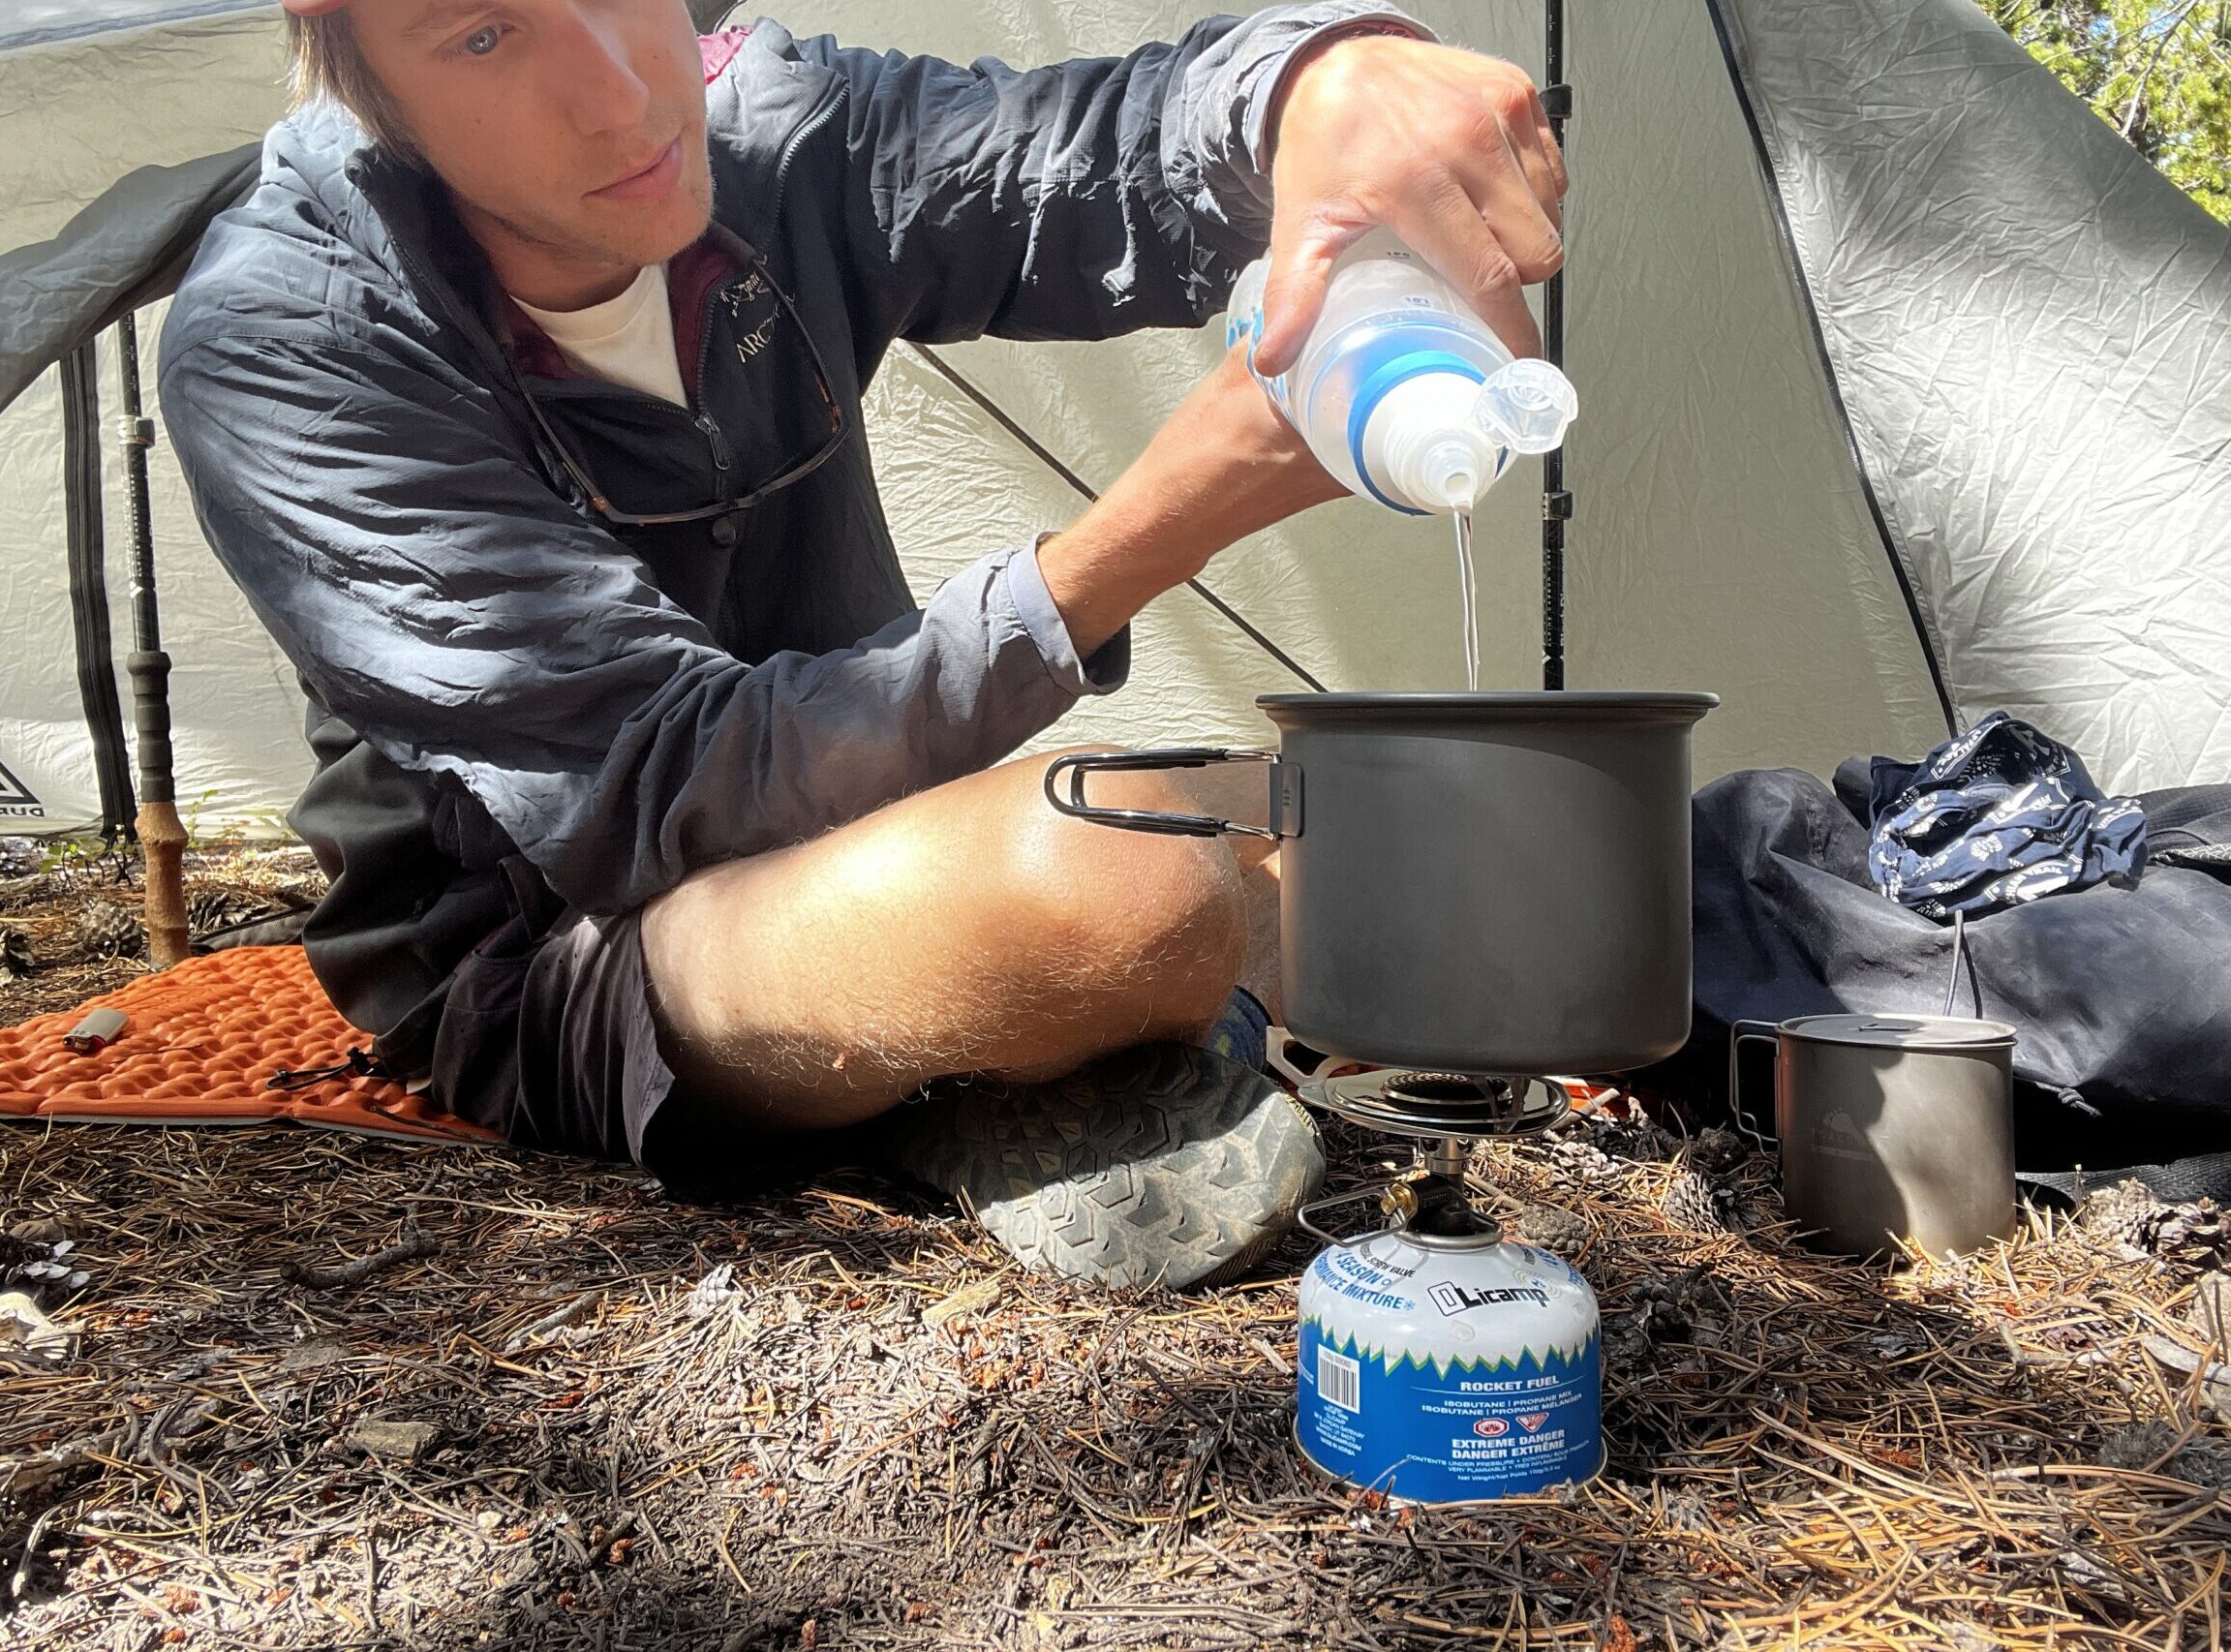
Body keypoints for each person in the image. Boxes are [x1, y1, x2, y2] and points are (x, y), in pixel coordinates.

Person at [162, 0, 1567, 1289]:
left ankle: (1020, 1048)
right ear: (341, 46)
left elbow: (1098, 156)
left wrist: (1316, 88)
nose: (614, 96)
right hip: (578, 948)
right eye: (481, 36)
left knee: (1437, 807)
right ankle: (991, 1062)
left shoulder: (769, 127)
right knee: (1125, 886)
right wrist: (1151, 529)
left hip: (887, 827)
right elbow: (665, 791)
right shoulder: (292, 333)